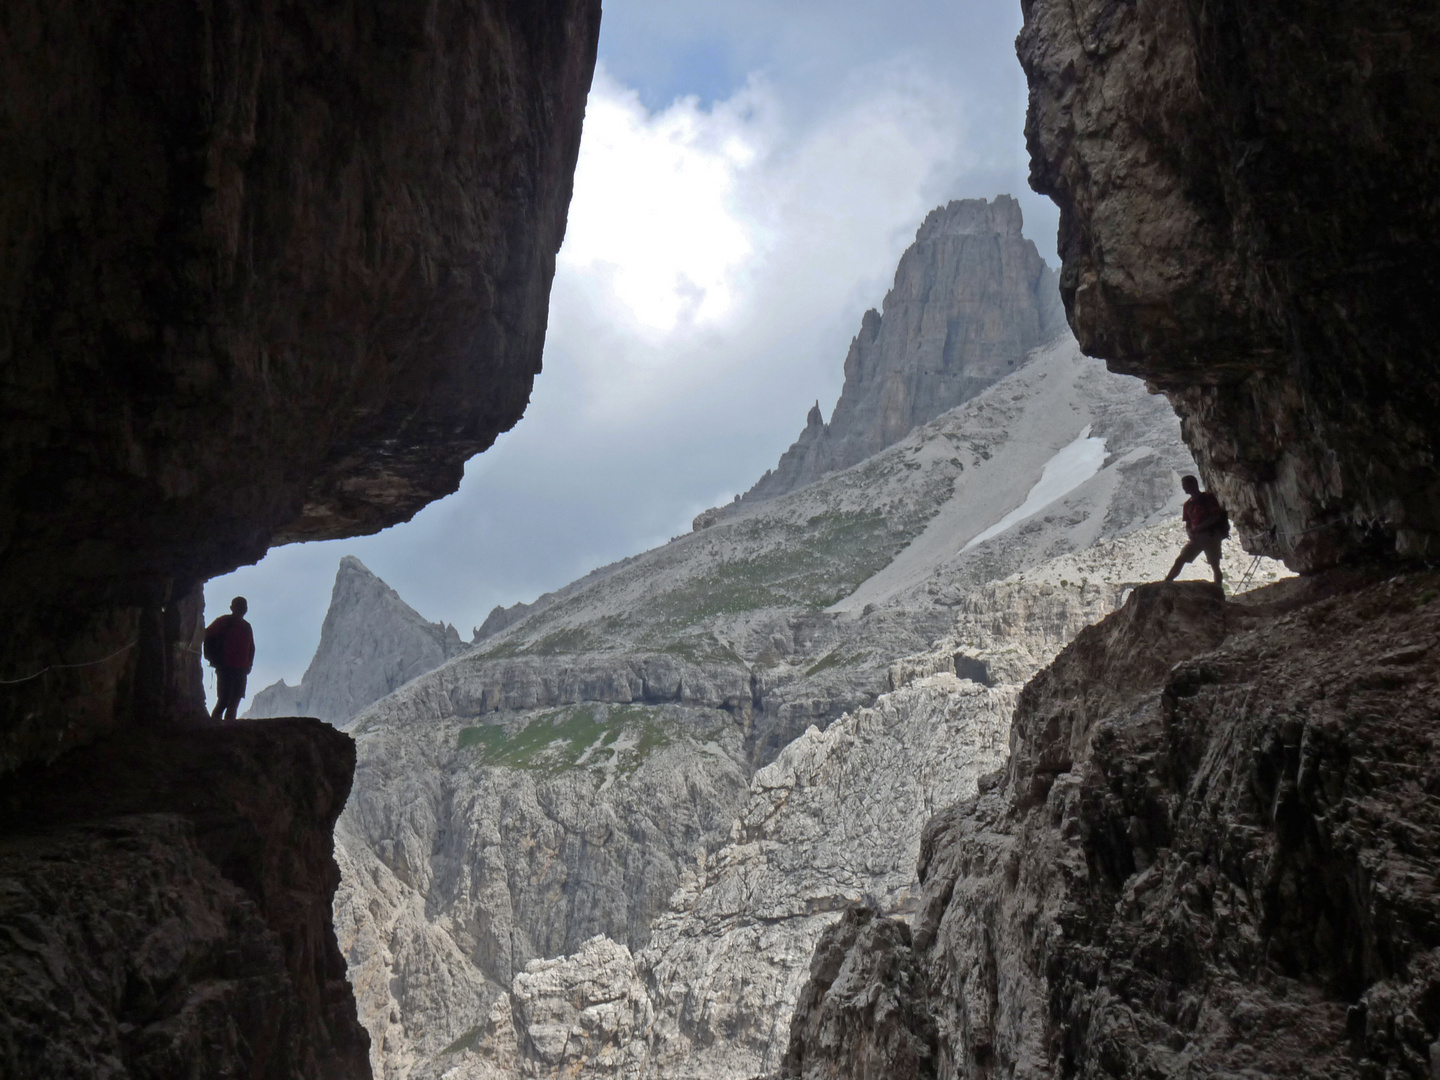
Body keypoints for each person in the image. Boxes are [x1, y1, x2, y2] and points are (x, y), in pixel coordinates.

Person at [1165, 475, 1229, 585]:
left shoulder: (1208, 498)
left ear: (1193, 485)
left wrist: (1199, 527)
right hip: (1198, 537)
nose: (1184, 488)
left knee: (1214, 565)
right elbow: (1188, 523)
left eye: (1185, 485)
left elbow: (1216, 516)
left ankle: (1218, 589)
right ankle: (1167, 582)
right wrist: (1190, 532)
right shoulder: (1187, 505)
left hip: (1211, 535)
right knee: (1181, 559)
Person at [205, 596, 256, 721]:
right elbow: (208, 637)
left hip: (239, 669)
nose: (242, 609)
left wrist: (249, 665)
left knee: (234, 701)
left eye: (243, 606)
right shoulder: (224, 622)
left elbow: (251, 648)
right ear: (232, 608)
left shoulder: (246, 627)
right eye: (240, 606)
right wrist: (213, 658)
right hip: (226, 667)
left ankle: (225, 727)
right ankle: (217, 727)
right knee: (224, 700)